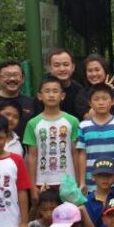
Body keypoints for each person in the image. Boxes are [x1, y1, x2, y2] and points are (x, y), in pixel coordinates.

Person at [23, 76, 80, 206]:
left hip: (68, 181)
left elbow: (75, 153)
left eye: (55, 91)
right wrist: (32, 187)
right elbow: (32, 156)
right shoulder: (33, 123)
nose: (51, 95)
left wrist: (78, 181)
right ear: (39, 96)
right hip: (42, 181)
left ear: (62, 96)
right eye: (47, 91)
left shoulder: (72, 121)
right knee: (45, 215)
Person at [76, 84, 114, 194]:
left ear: (113, 101)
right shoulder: (83, 126)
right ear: (90, 103)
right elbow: (82, 154)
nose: (101, 102)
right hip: (91, 182)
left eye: (105, 99)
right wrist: (82, 182)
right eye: (96, 99)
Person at [0, 60, 35, 136]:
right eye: (7, 75)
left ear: (22, 78)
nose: (12, 79)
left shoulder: (32, 103)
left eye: (16, 75)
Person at [35, 48, 89, 119]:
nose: (62, 69)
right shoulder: (44, 89)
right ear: (49, 68)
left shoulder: (79, 90)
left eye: (66, 65)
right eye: (57, 65)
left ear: (73, 67)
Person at [83, 159, 114, 227]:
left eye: (109, 175)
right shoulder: (87, 201)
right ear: (93, 177)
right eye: (100, 175)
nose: (105, 179)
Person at [76, 54, 114, 119]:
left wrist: (108, 91)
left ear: (105, 71)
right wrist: (103, 91)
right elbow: (88, 117)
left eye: (97, 70)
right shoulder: (82, 94)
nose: (94, 74)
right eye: (90, 71)